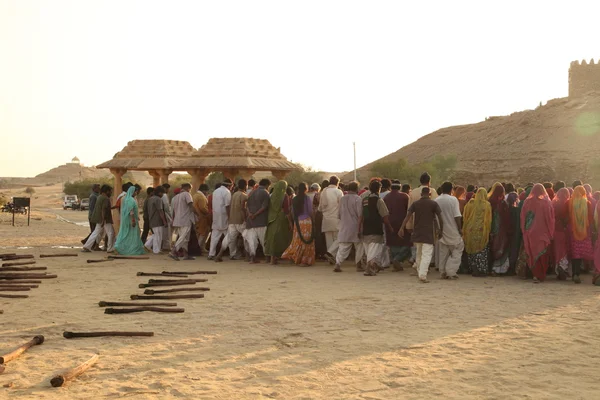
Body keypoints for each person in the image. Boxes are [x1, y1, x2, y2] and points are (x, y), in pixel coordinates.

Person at [399, 187, 442, 283]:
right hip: (428, 233)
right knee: (426, 255)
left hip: (417, 232)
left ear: (421, 194)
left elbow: (408, 216)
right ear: (430, 194)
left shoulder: (415, 204)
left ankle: (420, 272)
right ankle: (422, 275)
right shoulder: (433, 204)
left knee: (419, 254)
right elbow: (440, 217)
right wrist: (440, 230)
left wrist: (402, 228)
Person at [521, 184, 555, 283]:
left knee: (532, 253)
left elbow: (523, 217)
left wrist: (524, 230)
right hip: (543, 233)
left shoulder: (527, 202)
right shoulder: (546, 203)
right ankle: (541, 275)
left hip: (530, 233)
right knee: (542, 254)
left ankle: (536, 274)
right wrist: (550, 233)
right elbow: (550, 219)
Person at [361, 180, 393, 276]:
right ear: (379, 189)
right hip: (376, 228)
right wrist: (390, 227)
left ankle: (374, 265)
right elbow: (385, 216)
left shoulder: (364, 200)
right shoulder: (379, 201)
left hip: (366, 228)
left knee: (369, 249)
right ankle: (369, 268)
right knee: (375, 249)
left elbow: (362, 215)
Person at [282, 182, 316, 266]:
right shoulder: (307, 198)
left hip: (298, 222)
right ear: (306, 189)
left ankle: (296, 257)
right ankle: (305, 260)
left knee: (298, 240)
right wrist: (313, 221)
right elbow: (310, 211)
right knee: (307, 241)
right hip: (307, 221)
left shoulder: (294, 199)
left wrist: (295, 221)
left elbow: (293, 212)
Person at [435, 182, 463, 280]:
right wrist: (460, 229)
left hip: (442, 230)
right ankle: (451, 271)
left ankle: (442, 272)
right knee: (457, 250)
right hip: (453, 229)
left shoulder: (436, 200)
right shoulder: (453, 199)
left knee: (443, 252)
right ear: (451, 189)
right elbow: (457, 216)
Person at [333, 181, 363, 272]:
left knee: (343, 247)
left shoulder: (342, 199)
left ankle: (338, 264)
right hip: (355, 226)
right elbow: (360, 215)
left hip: (344, 226)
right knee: (359, 246)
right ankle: (358, 265)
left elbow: (339, 214)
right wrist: (359, 228)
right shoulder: (358, 199)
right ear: (356, 189)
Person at [216, 179, 248, 262]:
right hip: (240, 220)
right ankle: (248, 256)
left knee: (229, 239)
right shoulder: (244, 196)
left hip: (232, 220)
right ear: (245, 186)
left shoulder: (233, 194)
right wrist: (245, 219)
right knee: (247, 237)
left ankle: (220, 255)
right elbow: (243, 208)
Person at [463, 188, 492, 277]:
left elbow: (465, 217)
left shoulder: (470, 204)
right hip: (481, 231)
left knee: (471, 249)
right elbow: (488, 220)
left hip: (470, 230)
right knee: (481, 250)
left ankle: (473, 268)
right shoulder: (486, 205)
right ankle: (481, 270)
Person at [568, 186, 594, 284]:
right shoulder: (587, 203)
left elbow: (567, 216)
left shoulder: (569, 203)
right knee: (580, 252)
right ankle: (578, 273)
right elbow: (590, 218)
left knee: (575, 253)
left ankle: (574, 273)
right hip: (584, 231)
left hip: (573, 231)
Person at [384, 180, 411, 271]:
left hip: (389, 223)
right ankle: (398, 259)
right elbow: (409, 211)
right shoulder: (405, 196)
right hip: (402, 223)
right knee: (407, 243)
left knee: (393, 243)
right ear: (400, 187)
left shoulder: (386, 197)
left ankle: (396, 263)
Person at [264, 180, 293, 265]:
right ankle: (283, 256)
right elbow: (287, 211)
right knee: (283, 238)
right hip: (281, 219)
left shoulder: (271, 195)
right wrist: (290, 222)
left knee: (272, 238)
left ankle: (272, 258)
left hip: (271, 219)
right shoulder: (284, 196)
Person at [170, 183, 199, 261]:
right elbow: (191, 206)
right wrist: (197, 213)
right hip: (185, 220)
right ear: (188, 188)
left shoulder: (175, 197)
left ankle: (186, 255)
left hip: (177, 220)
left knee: (185, 238)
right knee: (183, 237)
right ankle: (174, 251)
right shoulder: (187, 194)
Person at [82, 185, 115, 253]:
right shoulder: (105, 198)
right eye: (110, 191)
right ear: (107, 191)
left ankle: (87, 246)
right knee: (111, 233)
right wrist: (103, 220)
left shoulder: (99, 197)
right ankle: (110, 248)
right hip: (105, 219)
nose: (111, 193)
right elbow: (104, 210)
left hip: (100, 219)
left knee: (96, 232)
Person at [114, 186, 145, 255]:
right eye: (135, 191)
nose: (136, 193)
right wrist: (133, 220)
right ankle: (127, 248)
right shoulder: (130, 200)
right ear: (132, 192)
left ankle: (124, 247)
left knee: (127, 234)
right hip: (130, 220)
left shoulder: (126, 199)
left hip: (127, 220)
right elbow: (131, 211)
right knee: (130, 234)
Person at [319, 176, 344, 263]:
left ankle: (331, 258)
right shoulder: (338, 192)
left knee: (329, 240)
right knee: (339, 238)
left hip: (326, 219)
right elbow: (342, 206)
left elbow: (320, 208)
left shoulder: (323, 192)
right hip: (336, 218)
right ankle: (330, 254)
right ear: (337, 183)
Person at [246, 179, 271, 263]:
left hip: (251, 221)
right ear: (267, 185)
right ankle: (267, 258)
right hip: (261, 220)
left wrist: (250, 214)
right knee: (264, 240)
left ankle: (252, 257)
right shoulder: (265, 193)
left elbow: (247, 206)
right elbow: (264, 207)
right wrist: (256, 214)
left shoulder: (252, 192)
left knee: (252, 242)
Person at [488, 182, 511, 275]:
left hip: (490, 229)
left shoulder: (489, 201)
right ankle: (497, 269)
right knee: (500, 247)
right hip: (501, 229)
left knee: (491, 247)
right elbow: (507, 218)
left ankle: (490, 268)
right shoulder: (503, 203)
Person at [208, 180, 232, 259]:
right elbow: (227, 206)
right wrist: (229, 217)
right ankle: (233, 253)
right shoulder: (227, 192)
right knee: (230, 235)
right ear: (229, 185)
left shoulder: (215, 191)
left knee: (214, 236)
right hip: (224, 216)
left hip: (216, 215)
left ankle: (211, 254)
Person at [552, 188, 571, 280]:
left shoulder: (554, 203)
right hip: (564, 230)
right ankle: (563, 269)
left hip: (555, 229)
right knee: (564, 250)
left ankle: (558, 269)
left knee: (557, 250)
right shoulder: (567, 203)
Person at [144, 186, 168, 254]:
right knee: (158, 235)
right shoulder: (158, 199)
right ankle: (156, 250)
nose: (163, 194)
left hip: (151, 219)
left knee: (156, 234)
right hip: (157, 220)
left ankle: (147, 245)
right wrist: (164, 221)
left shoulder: (150, 199)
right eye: (162, 193)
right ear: (160, 193)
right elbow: (160, 211)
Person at [193, 184, 210, 254]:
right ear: (204, 190)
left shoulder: (195, 195)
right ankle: (199, 248)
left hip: (197, 216)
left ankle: (200, 248)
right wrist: (209, 213)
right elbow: (203, 208)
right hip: (202, 217)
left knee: (199, 233)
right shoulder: (201, 196)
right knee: (202, 233)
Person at [161, 183, 173, 251]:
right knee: (166, 232)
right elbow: (166, 207)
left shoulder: (161, 195)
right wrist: (170, 215)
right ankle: (166, 246)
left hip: (163, 214)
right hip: (166, 215)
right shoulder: (164, 195)